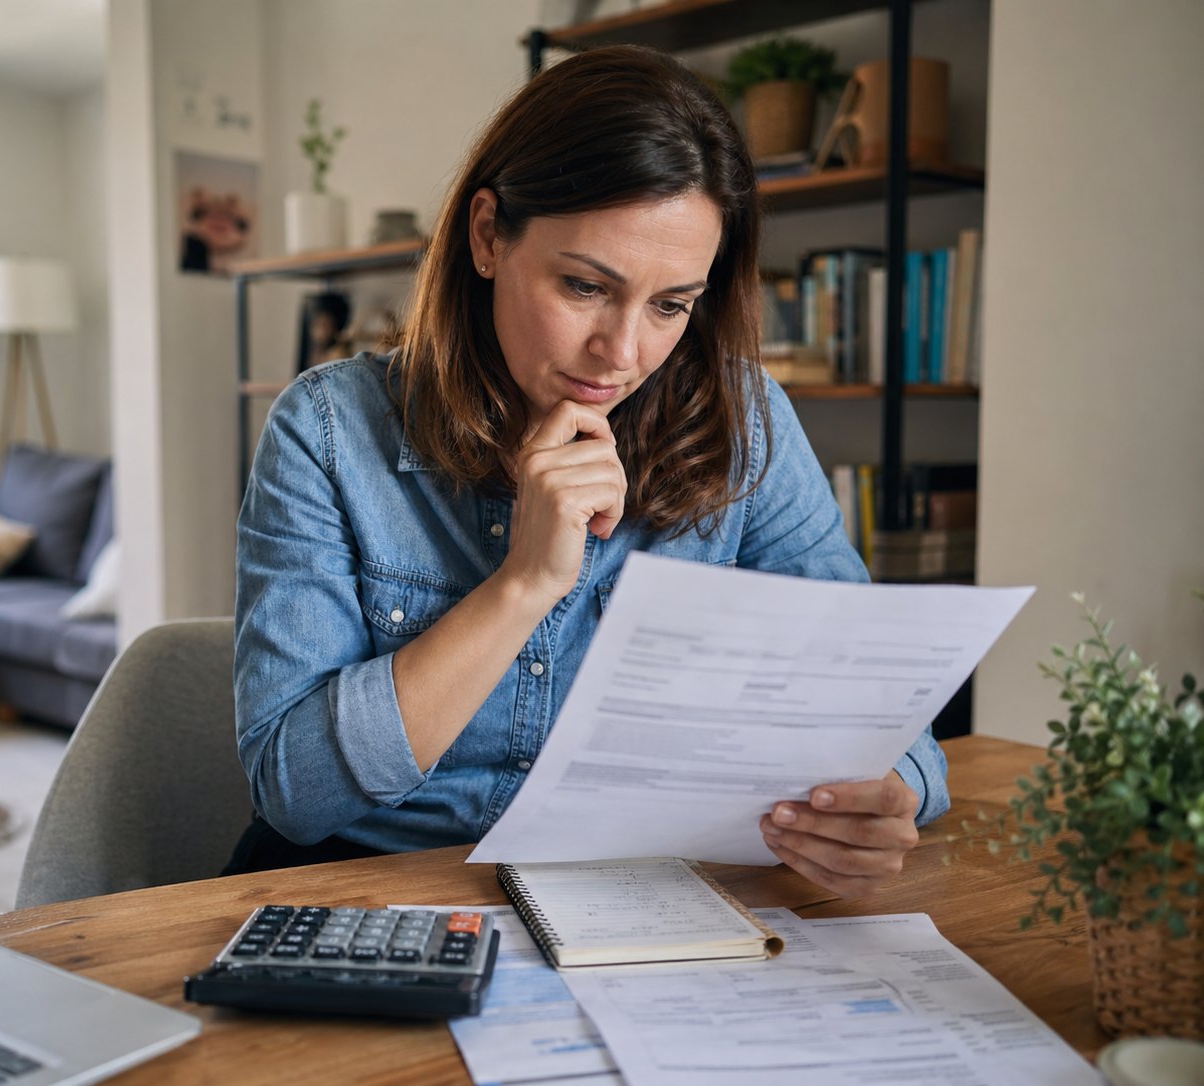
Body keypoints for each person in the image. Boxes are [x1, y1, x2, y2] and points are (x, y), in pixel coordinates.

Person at [227, 45, 949, 895]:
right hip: (367, 890)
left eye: (672, 304)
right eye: (583, 286)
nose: (623, 352)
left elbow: (884, 714)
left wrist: (890, 793)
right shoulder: (328, 428)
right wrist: (524, 584)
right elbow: (293, 791)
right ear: (488, 235)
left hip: (638, 893)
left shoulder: (744, 422)